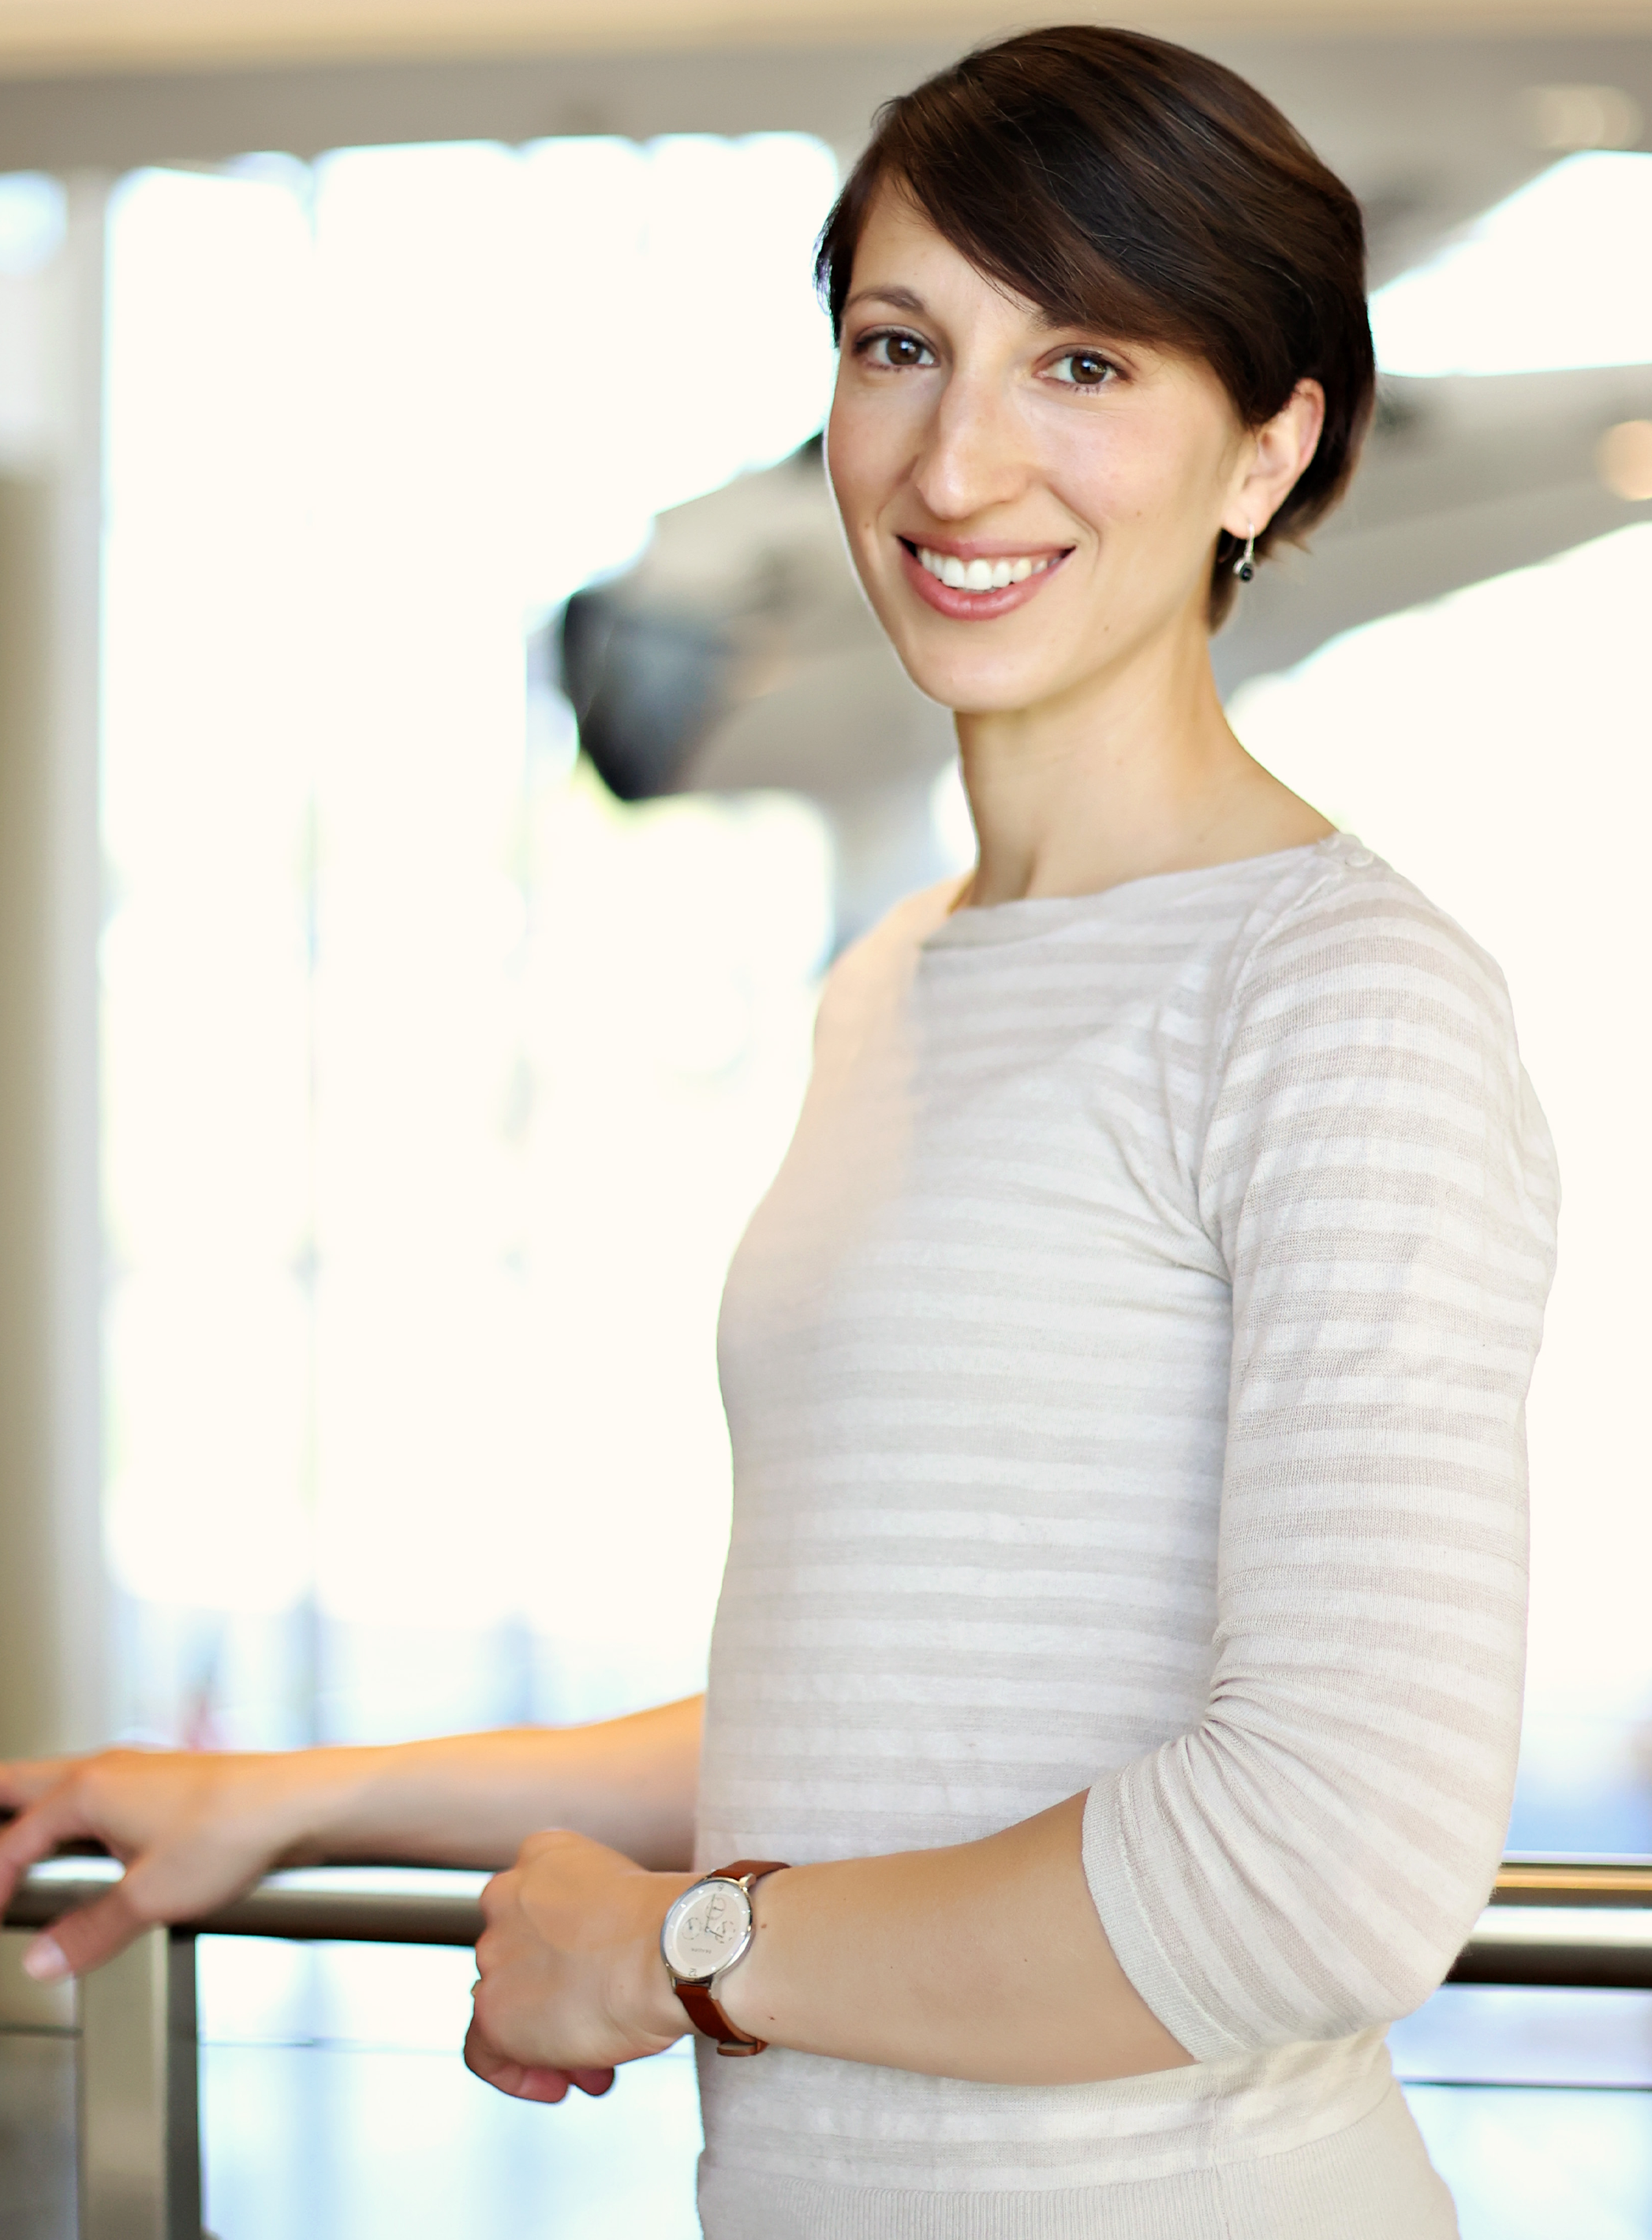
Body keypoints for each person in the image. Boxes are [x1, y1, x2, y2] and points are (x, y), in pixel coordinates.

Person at [0, 27, 1558, 2238]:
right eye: (899, 344)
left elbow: (1323, 1868)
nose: (953, 459)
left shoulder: (1341, 998)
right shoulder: (899, 976)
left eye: (1085, 365)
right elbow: (901, 1711)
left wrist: (674, 1947)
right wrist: (300, 1791)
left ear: (1267, 446)